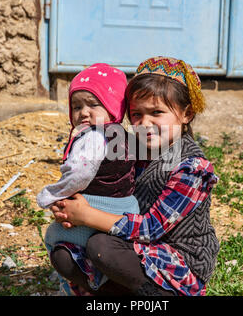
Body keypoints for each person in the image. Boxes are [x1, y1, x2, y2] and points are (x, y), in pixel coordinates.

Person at [49, 57, 220, 296]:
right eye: (136, 114)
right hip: (134, 248)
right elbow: (106, 189)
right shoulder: (129, 148)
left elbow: (151, 229)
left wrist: (86, 215)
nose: (144, 123)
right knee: (64, 256)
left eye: (156, 113)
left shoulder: (192, 167)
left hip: (176, 261)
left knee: (101, 247)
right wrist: (70, 205)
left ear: (187, 114)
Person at [37, 63, 140, 290]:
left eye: (93, 105)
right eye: (76, 106)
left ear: (113, 106)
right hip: (126, 207)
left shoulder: (93, 137)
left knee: (54, 237)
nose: (83, 112)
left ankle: (91, 282)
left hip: (98, 205)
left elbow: (79, 175)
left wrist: (52, 194)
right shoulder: (123, 135)